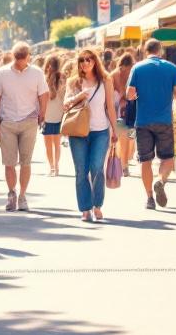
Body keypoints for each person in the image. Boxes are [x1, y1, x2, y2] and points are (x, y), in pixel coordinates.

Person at [127, 39, 176, 210]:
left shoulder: (137, 68)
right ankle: (161, 181)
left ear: (145, 51)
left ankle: (150, 198)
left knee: (145, 161)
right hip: (164, 120)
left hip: (143, 120)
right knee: (167, 157)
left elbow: (129, 94)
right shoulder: (171, 68)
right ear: (160, 51)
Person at [63, 49, 119, 222]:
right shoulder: (74, 82)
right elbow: (65, 105)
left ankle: (97, 205)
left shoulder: (105, 80)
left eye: (89, 59)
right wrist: (78, 96)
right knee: (81, 171)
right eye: (82, 60)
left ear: (95, 61)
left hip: (100, 131)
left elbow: (110, 106)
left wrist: (115, 130)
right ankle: (85, 209)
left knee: (96, 168)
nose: (85, 63)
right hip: (78, 131)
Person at [0, 42, 49, 212]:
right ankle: (11, 194)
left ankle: (23, 195)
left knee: (26, 161)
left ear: (28, 57)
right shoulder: (2, 73)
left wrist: (42, 114)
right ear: (13, 57)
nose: (20, 64)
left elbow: (43, 94)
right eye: (17, 61)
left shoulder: (36, 73)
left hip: (29, 121)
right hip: (7, 121)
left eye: (23, 61)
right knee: (9, 162)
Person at [41, 55, 65, 176]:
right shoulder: (43, 78)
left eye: (53, 65)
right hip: (46, 115)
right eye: (49, 64)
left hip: (58, 114)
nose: (50, 67)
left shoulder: (61, 78)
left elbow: (56, 95)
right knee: (48, 144)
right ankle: (51, 167)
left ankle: (56, 166)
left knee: (56, 143)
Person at [112, 53, 135, 177]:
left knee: (126, 140)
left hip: (121, 113)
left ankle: (124, 165)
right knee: (128, 140)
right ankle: (124, 165)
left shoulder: (114, 75)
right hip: (129, 114)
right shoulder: (131, 73)